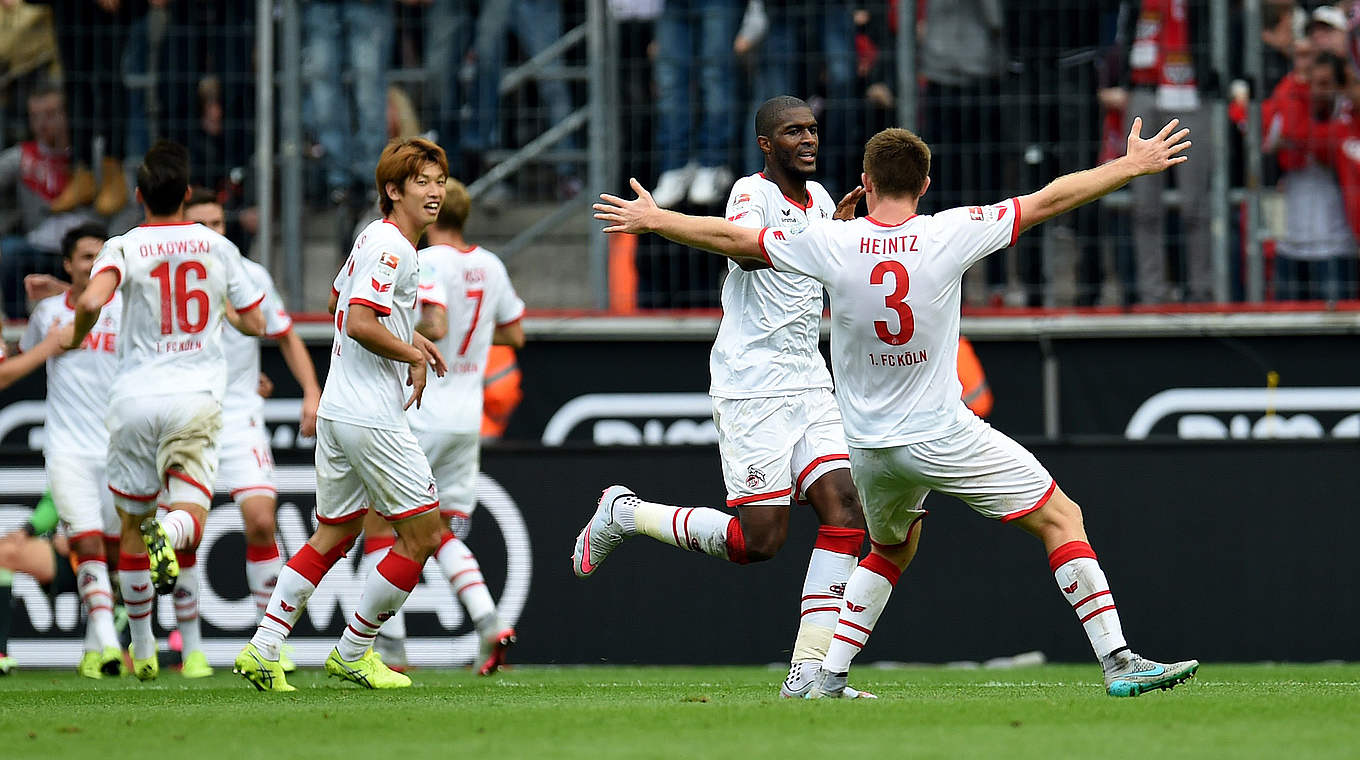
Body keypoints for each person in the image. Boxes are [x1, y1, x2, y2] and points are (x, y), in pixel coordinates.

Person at [591, 117, 1199, 698]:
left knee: (890, 547)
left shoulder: (833, 241)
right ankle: (1119, 660)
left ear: (868, 181)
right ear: (926, 185)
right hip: (940, 433)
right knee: (1062, 518)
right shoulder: (951, 232)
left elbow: (734, 239)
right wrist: (1129, 165)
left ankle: (825, 675)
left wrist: (655, 219)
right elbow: (1048, 199)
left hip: (870, 450)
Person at [575, 96, 876, 698]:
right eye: (794, 132)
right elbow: (741, 243)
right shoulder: (751, 192)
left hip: (808, 377)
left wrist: (835, 237)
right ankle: (626, 513)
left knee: (846, 507)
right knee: (759, 540)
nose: (808, 140)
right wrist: (661, 221)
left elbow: (811, 266)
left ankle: (810, 673)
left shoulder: (818, 203)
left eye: (813, 130)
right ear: (767, 145)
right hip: (752, 383)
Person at [234, 137, 449, 692]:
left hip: (339, 408)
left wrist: (406, 339)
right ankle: (354, 651)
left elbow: (337, 302)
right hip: (370, 415)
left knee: (335, 533)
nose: (435, 191)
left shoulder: (378, 240)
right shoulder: (392, 247)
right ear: (393, 190)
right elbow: (357, 321)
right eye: (421, 181)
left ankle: (262, 649)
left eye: (439, 180)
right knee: (423, 534)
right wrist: (415, 351)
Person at [65, 139, 268, 681]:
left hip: (132, 398)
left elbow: (89, 302)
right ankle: (170, 533)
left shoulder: (124, 244)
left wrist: (76, 335)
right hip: (193, 398)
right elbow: (256, 322)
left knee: (130, 527)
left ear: (137, 195)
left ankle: (145, 646)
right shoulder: (215, 246)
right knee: (188, 520)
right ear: (184, 193)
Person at [173, 189, 321, 677]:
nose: (213, 232)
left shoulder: (248, 274)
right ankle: (191, 647)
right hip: (186, 417)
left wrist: (310, 392)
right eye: (201, 224)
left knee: (261, 519)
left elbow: (284, 334)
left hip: (240, 417)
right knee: (187, 531)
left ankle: (268, 642)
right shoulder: (170, 277)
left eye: (218, 222)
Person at [19, 222, 126, 679]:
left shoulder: (127, 306)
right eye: (85, 256)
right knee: (85, 540)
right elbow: (26, 355)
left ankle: (94, 646)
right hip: (67, 447)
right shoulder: (46, 315)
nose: (94, 264)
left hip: (119, 447)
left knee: (119, 555)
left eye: (100, 256)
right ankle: (107, 647)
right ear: (68, 264)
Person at [0, 81, 98, 316]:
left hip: (86, 246)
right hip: (39, 246)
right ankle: (18, 325)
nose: (42, 124)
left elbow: (121, 200)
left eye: (51, 115)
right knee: (9, 250)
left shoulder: (92, 154)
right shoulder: (22, 157)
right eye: (35, 117)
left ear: (67, 115)